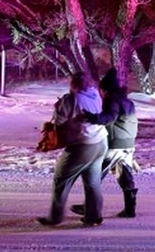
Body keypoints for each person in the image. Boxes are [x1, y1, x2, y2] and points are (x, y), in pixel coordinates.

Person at [37, 72, 108, 227]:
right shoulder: (95, 94)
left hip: (83, 144)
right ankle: (94, 216)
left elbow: (60, 121)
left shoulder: (71, 99)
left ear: (73, 84)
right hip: (101, 141)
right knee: (92, 182)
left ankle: (55, 217)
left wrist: (58, 107)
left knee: (61, 179)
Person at [71, 68, 140, 218]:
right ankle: (130, 208)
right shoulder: (128, 101)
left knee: (94, 175)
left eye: (101, 90)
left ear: (106, 89)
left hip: (115, 144)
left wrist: (91, 117)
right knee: (125, 175)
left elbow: (109, 118)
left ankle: (89, 208)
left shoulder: (112, 100)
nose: (100, 93)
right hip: (128, 144)